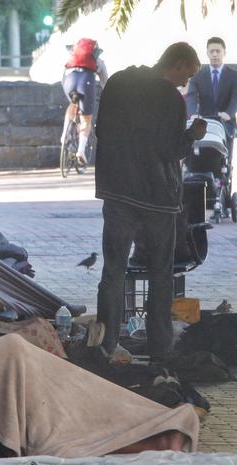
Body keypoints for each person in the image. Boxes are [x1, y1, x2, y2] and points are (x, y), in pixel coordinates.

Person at [95, 42, 207, 361]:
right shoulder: (170, 97)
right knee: (161, 274)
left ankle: (106, 345)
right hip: (158, 198)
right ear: (179, 63)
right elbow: (169, 149)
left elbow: (102, 132)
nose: (187, 81)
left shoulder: (117, 83)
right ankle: (160, 352)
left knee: (113, 271)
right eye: (189, 73)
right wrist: (192, 135)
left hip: (117, 192)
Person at [186, 36, 237, 159]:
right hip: (204, 121)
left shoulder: (234, 75)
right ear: (207, 53)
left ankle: (224, 176)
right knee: (198, 156)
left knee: (224, 158)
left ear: (224, 52)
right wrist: (193, 113)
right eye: (211, 51)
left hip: (225, 122)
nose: (214, 54)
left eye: (218, 51)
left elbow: (235, 96)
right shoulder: (197, 75)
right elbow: (191, 95)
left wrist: (228, 113)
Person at [61, 38, 108, 165]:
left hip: (68, 81)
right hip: (85, 81)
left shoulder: (71, 58)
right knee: (86, 118)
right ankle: (81, 151)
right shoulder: (98, 61)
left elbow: (62, 77)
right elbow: (106, 85)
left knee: (72, 103)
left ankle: (64, 135)